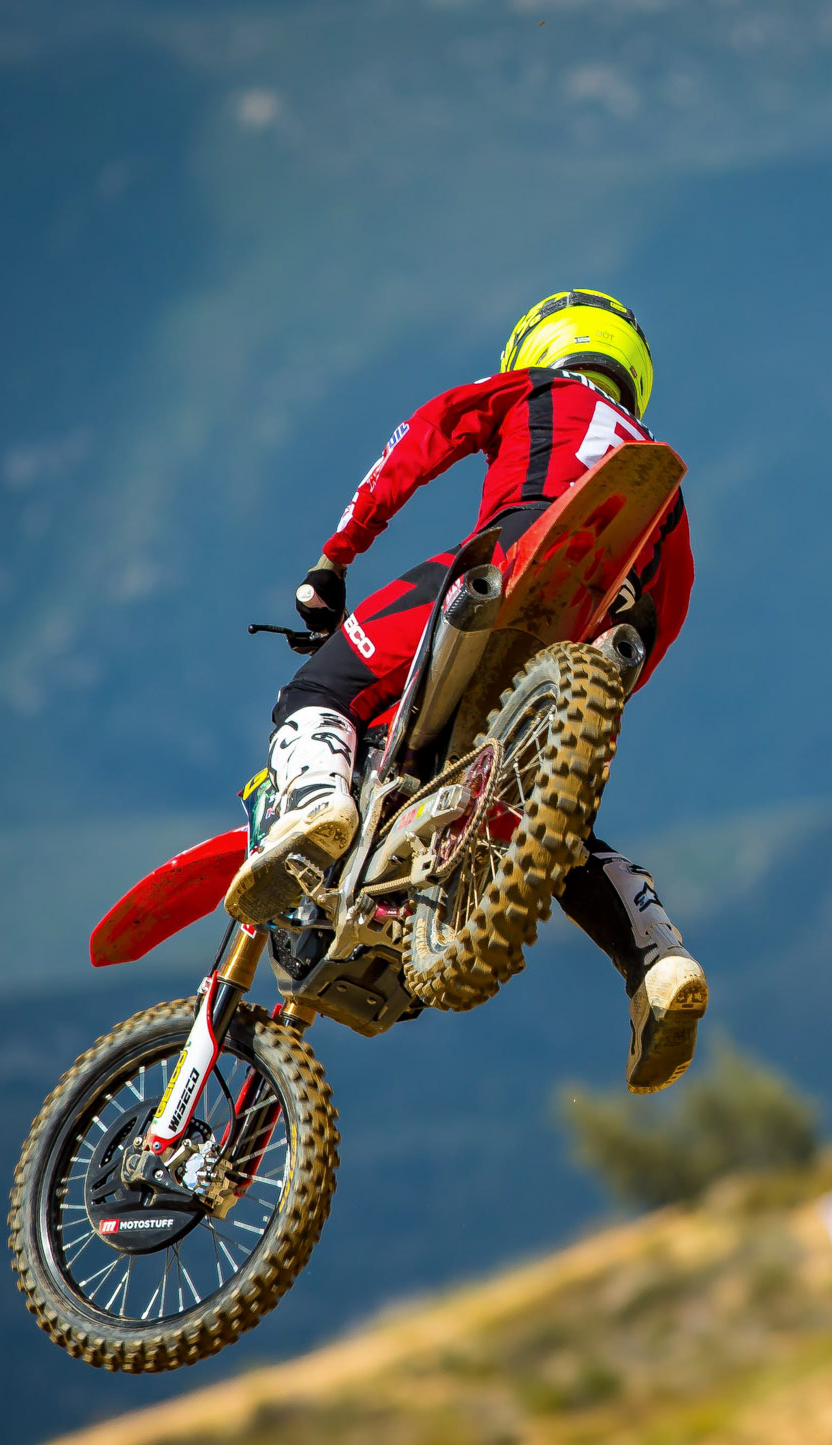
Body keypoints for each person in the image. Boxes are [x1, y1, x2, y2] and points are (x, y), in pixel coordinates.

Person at [223, 289, 707, 1094]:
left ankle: (315, 807)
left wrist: (334, 559)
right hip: (590, 634)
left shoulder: (533, 389)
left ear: (541, 344)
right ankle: (658, 961)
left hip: (503, 563)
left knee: (317, 690)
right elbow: (671, 605)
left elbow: (421, 438)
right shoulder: (661, 475)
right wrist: (590, 711)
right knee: (554, 831)